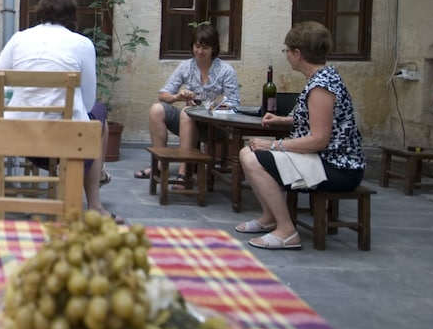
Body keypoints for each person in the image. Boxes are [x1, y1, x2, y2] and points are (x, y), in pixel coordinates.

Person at [0, 0, 121, 223]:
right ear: (73, 15)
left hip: (18, 135)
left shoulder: (19, 38)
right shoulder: (82, 44)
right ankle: (95, 202)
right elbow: (87, 102)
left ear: (41, 11)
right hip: (64, 139)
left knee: (95, 121)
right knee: (99, 117)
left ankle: (96, 180)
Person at [235, 21, 365, 250]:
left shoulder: (321, 86)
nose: (286, 55)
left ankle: (287, 231)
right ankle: (270, 217)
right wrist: (283, 120)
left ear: (298, 53)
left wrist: (274, 145)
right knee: (248, 152)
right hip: (323, 159)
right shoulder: (322, 78)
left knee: (252, 158)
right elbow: (319, 119)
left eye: (287, 50)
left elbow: (319, 140)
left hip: (337, 166)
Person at [135, 23, 240, 185]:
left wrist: (211, 106)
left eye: (205, 48)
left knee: (187, 112)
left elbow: (234, 105)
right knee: (157, 110)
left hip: (215, 126)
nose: (200, 51)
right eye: (197, 46)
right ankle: (159, 165)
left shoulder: (226, 71)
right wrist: (178, 96)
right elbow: (163, 94)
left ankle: (183, 172)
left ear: (213, 49)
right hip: (188, 122)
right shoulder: (186, 66)